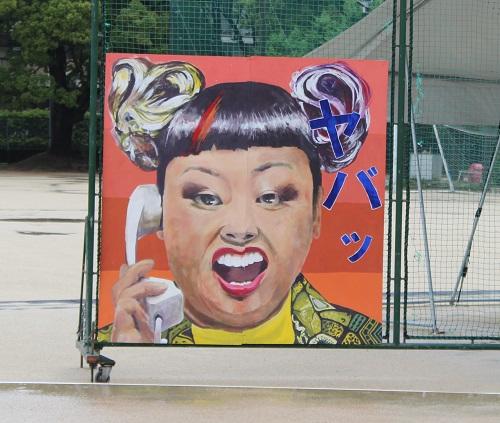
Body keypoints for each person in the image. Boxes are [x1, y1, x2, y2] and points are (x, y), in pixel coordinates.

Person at [101, 58, 382, 345]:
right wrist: (132, 353)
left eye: (271, 197)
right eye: (207, 198)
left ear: (315, 214)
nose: (240, 229)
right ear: (158, 212)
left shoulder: (361, 342)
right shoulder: (119, 338)